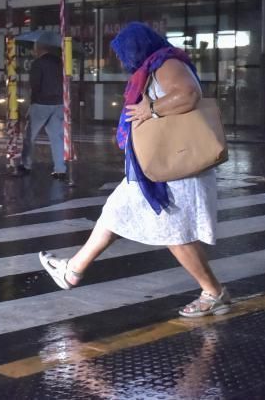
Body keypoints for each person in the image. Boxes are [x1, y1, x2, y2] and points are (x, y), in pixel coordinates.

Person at [38, 22, 230, 318]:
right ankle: (72, 270)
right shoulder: (156, 65)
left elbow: (188, 94)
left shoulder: (166, 62)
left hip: (172, 168)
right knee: (116, 212)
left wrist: (150, 109)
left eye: (125, 52)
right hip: (157, 167)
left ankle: (213, 292)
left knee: (173, 233)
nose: (124, 60)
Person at [19, 41, 66, 180]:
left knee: (29, 136)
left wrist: (31, 103)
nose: (33, 52)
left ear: (39, 49)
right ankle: (60, 169)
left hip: (41, 104)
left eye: (34, 49)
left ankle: (25, 165)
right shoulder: (60, 62)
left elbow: (35, 85)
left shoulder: (38, 64)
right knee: (57, 138)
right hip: (58, 104)